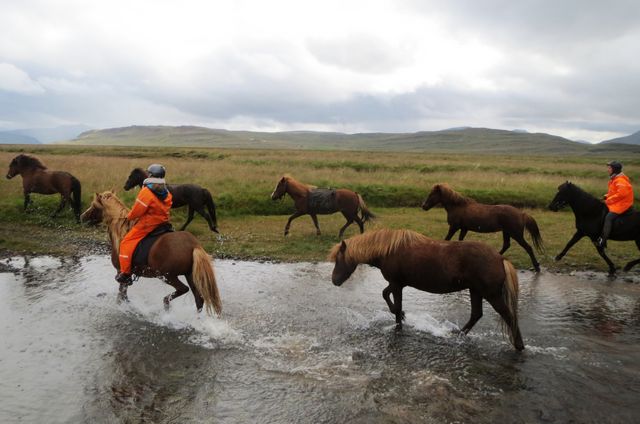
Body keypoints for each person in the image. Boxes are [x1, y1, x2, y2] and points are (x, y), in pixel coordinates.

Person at [115, 164, 173, 284]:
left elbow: (137, 212)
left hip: (148, 224)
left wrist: (128, 217)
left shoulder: (146, 192)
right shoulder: (166, 192)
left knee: (126, 242)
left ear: (150, 175)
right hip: (163, 223)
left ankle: (125, 273)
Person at [596, 160, 633, 248]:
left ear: (614, 170)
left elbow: (621, 194)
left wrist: (608, 200)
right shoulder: (615, 179)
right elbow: (613, 192)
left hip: (623, 204)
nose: (608, 170)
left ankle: (603, 240)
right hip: (618, 202)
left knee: (609, 217)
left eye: (609, 168)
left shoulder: (620, 180)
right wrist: (606, 196)